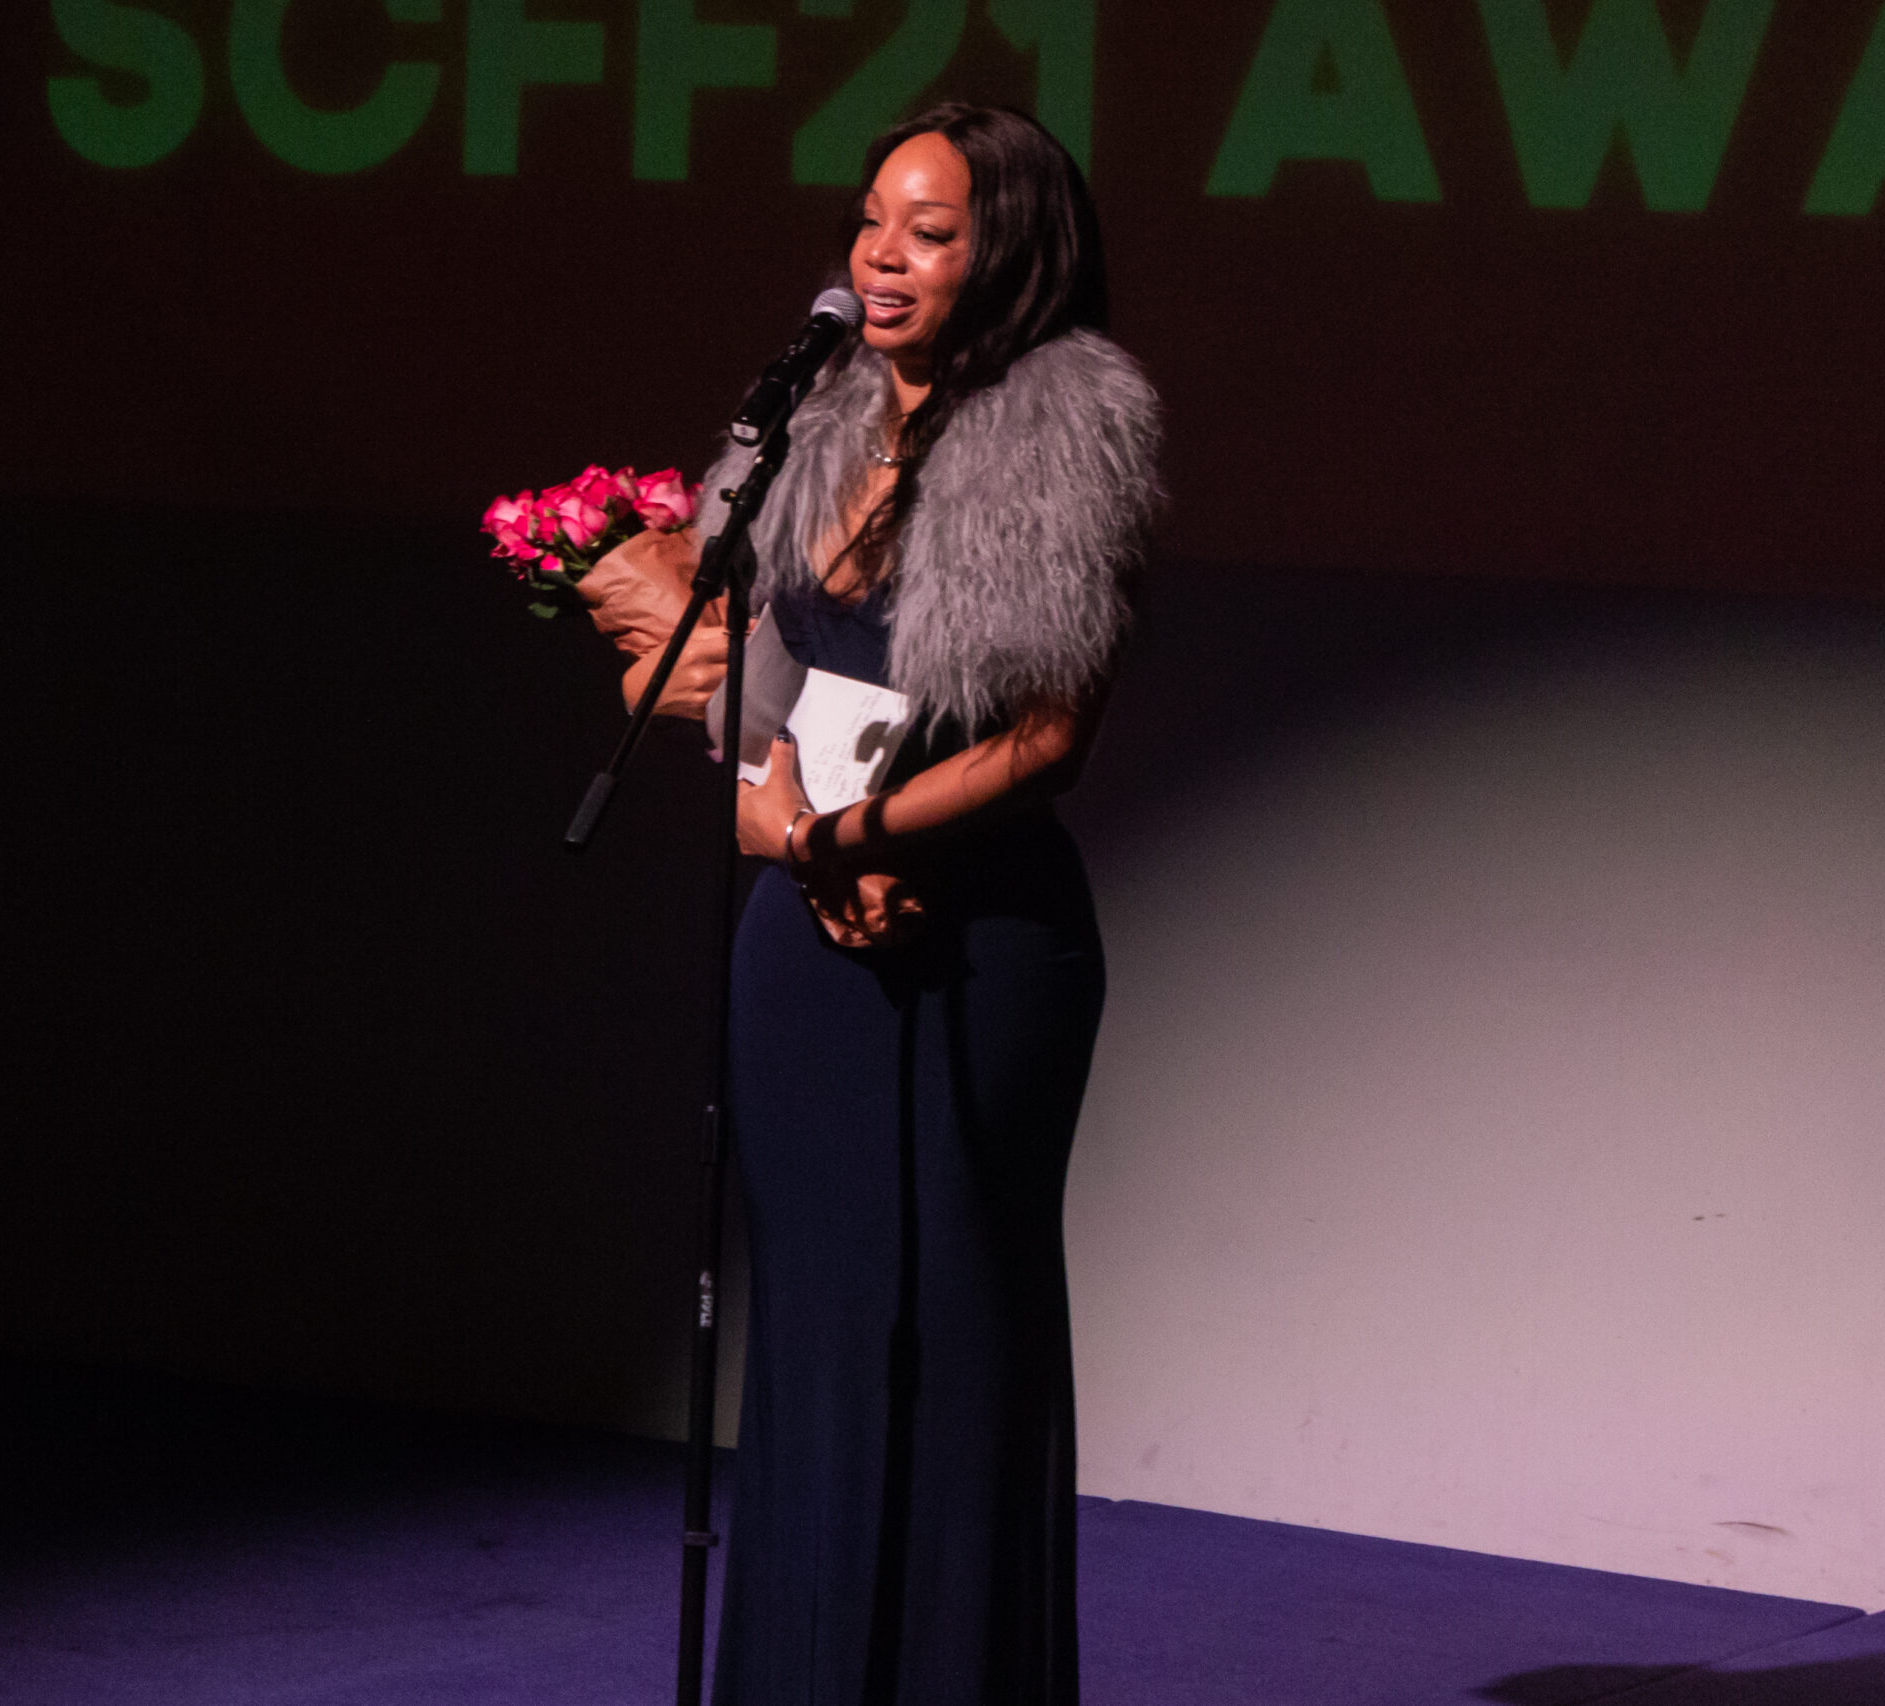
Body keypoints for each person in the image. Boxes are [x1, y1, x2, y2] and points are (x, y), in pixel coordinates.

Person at [583, 103, 1161, 1706]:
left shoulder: (1067, 432)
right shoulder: (816, 419)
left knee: (955, 1325)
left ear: (1011, 252)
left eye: (930, 230)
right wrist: (777, 811)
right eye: (871, 223)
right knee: (825, 1330)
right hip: (806, 945)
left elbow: (1052, 731)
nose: (882, 258)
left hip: (980, 941)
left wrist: (862, 832)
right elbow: (749, 684)